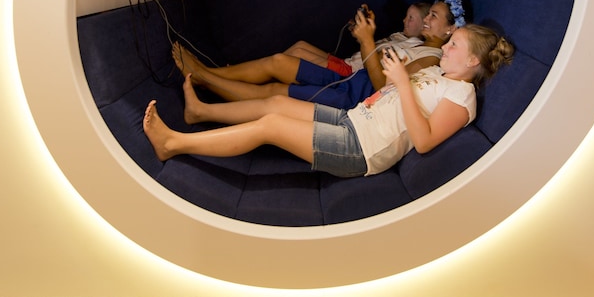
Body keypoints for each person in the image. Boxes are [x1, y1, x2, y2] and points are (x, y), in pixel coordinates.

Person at [143, 24, 514, 177]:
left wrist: (402, 84)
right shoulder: (439, 73)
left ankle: (172, 144)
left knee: (270, 125)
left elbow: (425, 141)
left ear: (473, 61)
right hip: (354, 120)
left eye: (454, 45)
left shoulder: (462, 95)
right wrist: (393, 81)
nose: (445, 47)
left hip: (363, 149)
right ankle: (201, 111)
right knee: (275, 104)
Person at [172, 0, 469, 108]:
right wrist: (366, 35)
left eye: (433, 16)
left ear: (450, 30)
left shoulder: (432, 58)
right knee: (279, 61)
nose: (426, 19)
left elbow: (383, 87)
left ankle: (204, 78)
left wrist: (367, 41)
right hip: (352, 79)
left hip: (355, 94)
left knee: (275, 92)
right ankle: (208, 74)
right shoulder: (415, 43)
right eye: (428, 14)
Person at [284, 1, 432, 77]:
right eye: (406, 16)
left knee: (296, 57)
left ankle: (275, 71)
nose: (404, 20)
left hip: (351, 72)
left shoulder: (413, 46)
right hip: (348, 62)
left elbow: (375, 60)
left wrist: (366, 38)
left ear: (424, 25)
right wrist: (361, 31)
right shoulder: (398, 36)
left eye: (410, 18)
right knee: (300, 46)